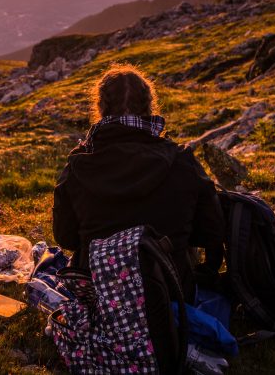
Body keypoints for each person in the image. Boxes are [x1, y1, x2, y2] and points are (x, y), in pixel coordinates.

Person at [52, 63, 224, 303]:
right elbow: (211, 230)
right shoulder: (180, 159)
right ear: (149, 105)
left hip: (102, 296)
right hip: (171, 292)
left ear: (101, 107)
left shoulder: (79, 165)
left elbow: (66, 238)